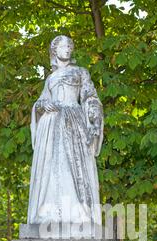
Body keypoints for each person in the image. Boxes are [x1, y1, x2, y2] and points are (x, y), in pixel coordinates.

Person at [27, 35, 103, 230]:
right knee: (52, 168)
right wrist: (42, 105)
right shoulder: (50, 78)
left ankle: (77, 213)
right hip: (51, 126)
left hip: (73, 122)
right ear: (55, 51)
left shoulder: (80, 72)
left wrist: (94, 117)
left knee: (74, 165)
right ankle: (50, 212)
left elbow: (89, 97)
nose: (67, 48)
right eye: (63, 46)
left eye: (70, 45)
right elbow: (40, 103)